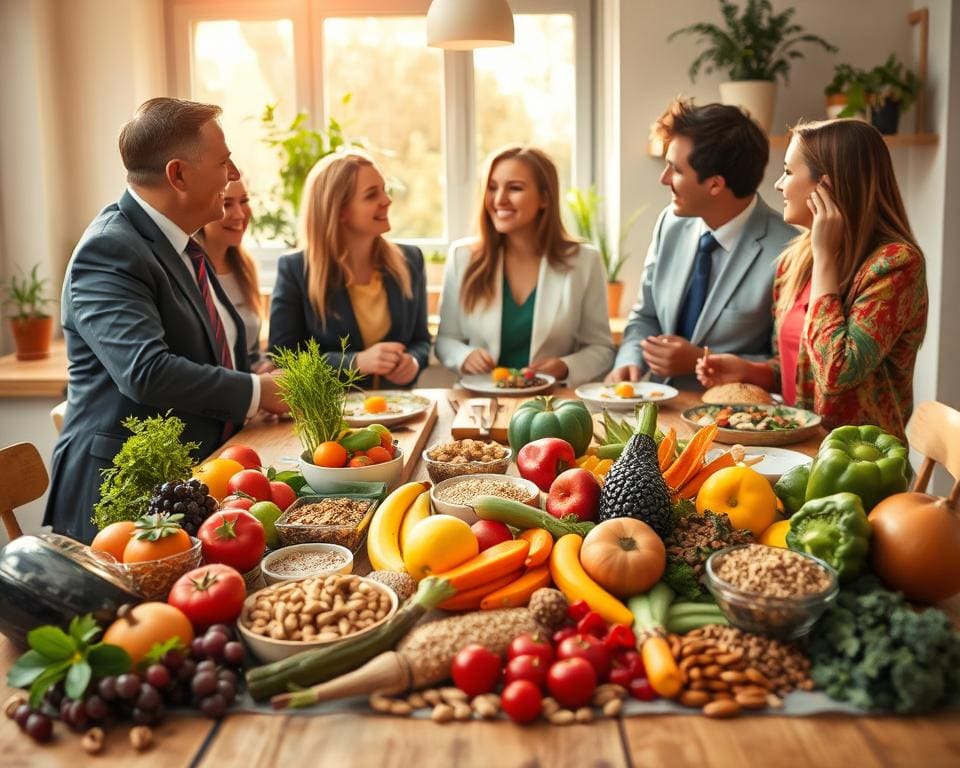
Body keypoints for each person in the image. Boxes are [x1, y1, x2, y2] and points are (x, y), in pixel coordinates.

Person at [47, 97, 289, 543]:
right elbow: (147, 372)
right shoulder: (110, 250)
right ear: (178, 174)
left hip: (187, 482)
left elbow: (202, 349)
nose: (233, 174)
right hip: (121, 503)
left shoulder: (181, 246)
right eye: (223, 161)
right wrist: (258, 394)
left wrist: (249, 387)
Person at [697, 119, 927, 439]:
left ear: (826, 187)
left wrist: (825, 258)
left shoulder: (895, 266)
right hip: (797, 449)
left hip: (860, 466)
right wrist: (750, 372)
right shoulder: (795, 259)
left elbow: (836, 373)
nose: (779, 184)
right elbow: (802, 369)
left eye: (789, 172)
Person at [608, 99, 797, 389]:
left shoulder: (789, 250)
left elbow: (788, 365)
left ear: (715, 185)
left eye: (676, 169)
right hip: (658, 408)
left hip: (731, 422)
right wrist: (629, 360)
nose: (664, 179)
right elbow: (646, 316)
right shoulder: (669, 224)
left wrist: (699, 358)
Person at [435, 145, 614, 388]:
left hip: (550, 404)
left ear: (544, 198)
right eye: (492, 188)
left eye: (515, 188)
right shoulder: (462, 257)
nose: (499, 200)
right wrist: (464, 357)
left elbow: (601, 348)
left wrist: (566, 366)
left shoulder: (584, 261)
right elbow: (445, 340)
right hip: (480, 402)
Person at [268, 150, 430, 388]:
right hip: (331, 416)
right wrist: (354, 362)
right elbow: (284, 359)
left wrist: (414, 362)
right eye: (371, 194)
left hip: (402, 412)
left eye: (384, 189)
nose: (387, 200)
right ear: (339, 210)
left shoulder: (410, 260)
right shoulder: (296, 269)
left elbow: (421, 340)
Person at [197, 177, 269, 371]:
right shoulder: (189, 271)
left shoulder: (245, 268)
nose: (239, 214)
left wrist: (265, 367)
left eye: (244, 201)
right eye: (226, 204)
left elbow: (251, 353)